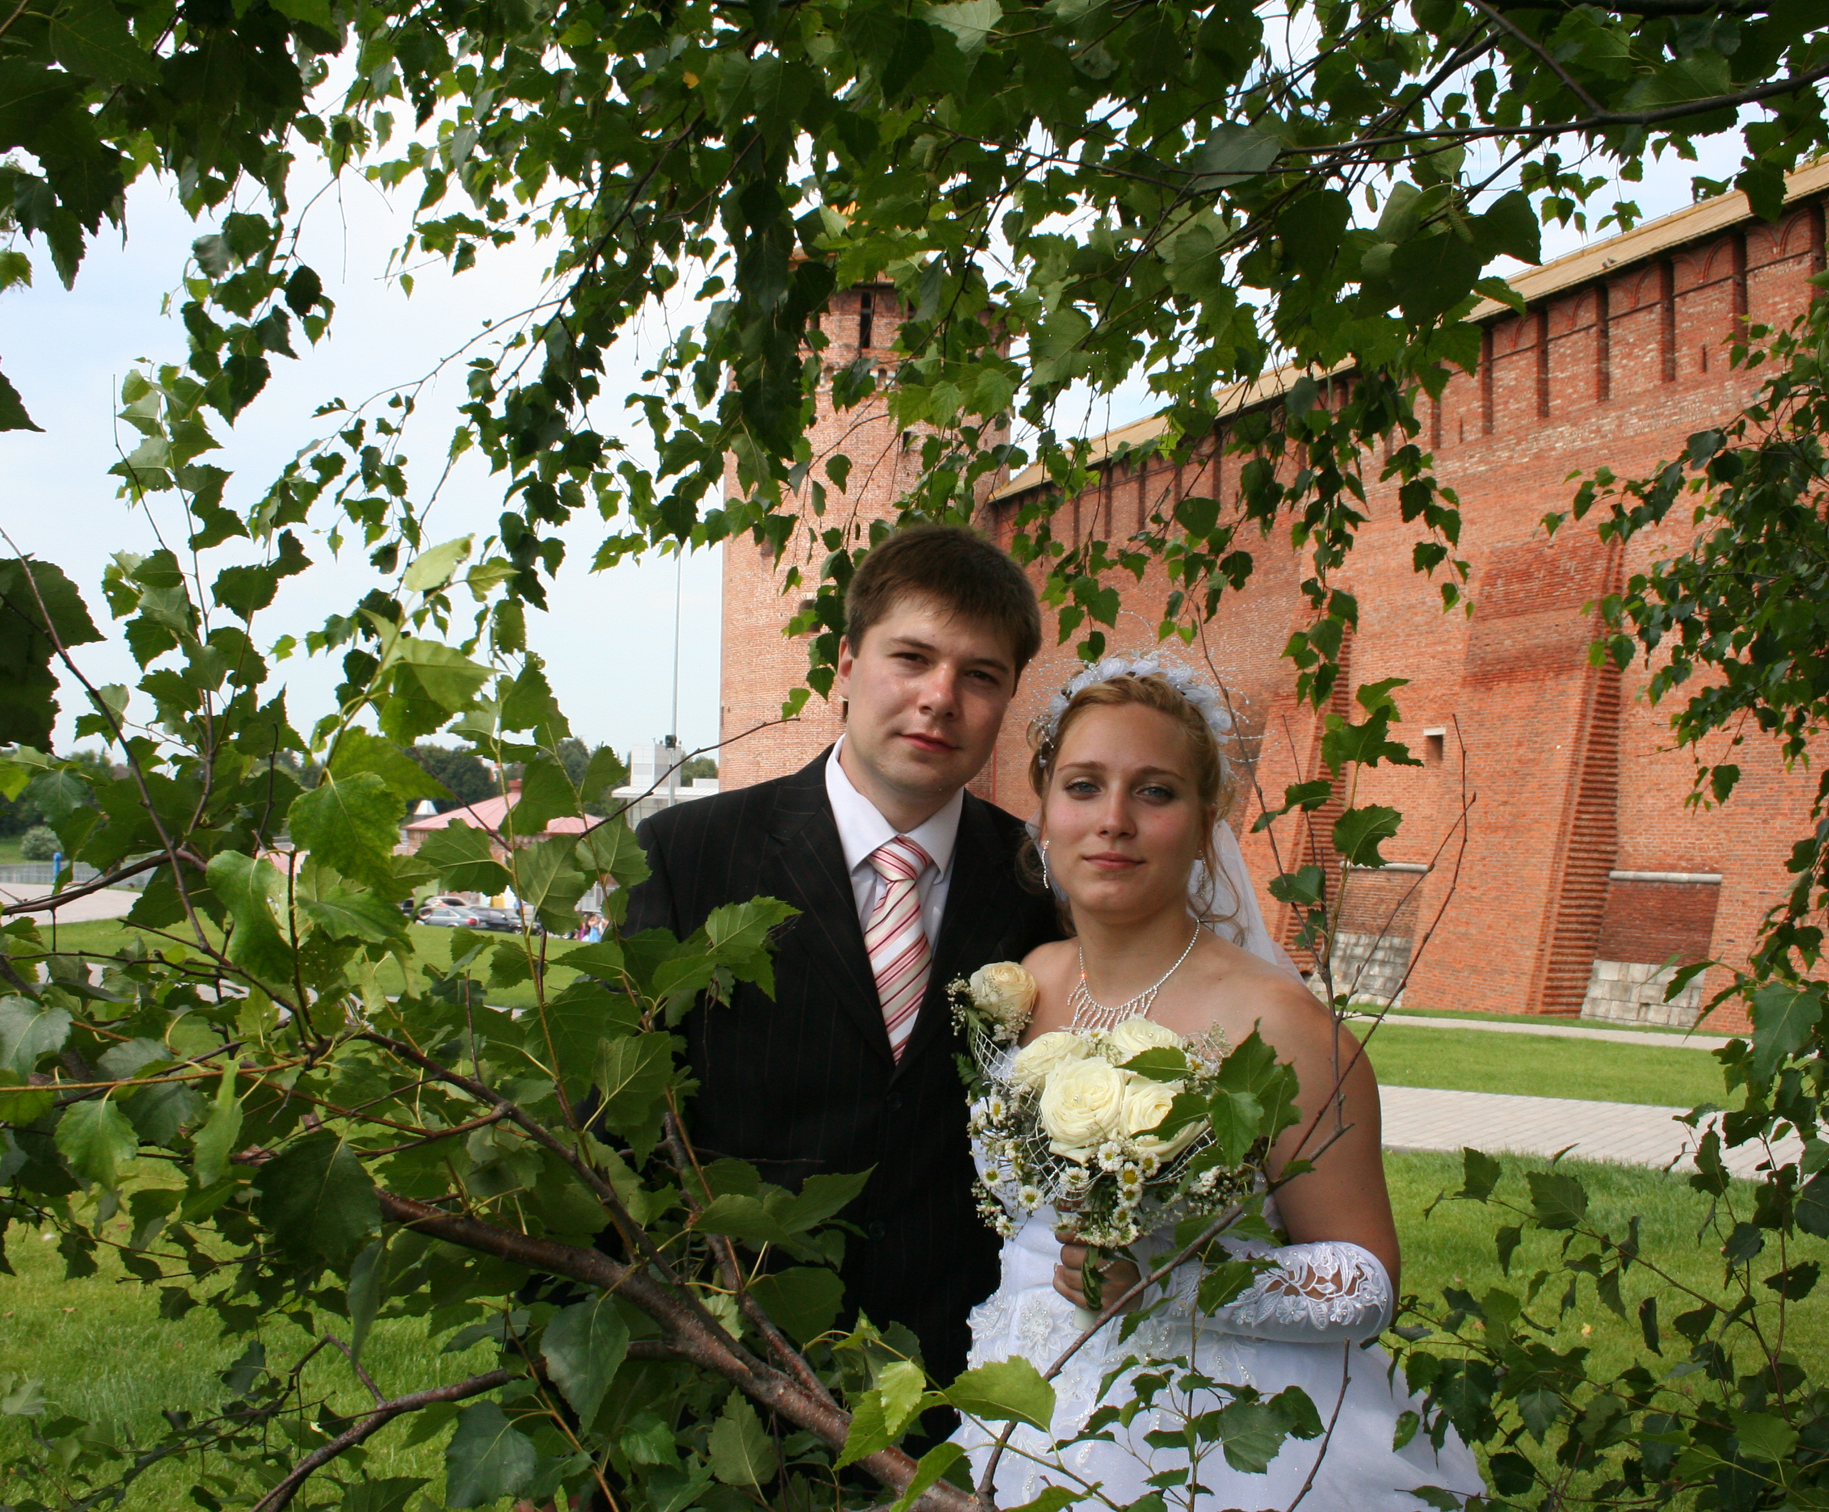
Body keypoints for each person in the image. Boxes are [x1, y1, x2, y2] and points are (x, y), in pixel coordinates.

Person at [954, 658, 1485, 1511]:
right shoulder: (1030, 981)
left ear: (1207, 825)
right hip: (1019, 1399)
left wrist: (1174, 1286)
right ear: (1044, 813)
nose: (1114, 820)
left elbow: (1364, 1281)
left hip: (1211, 1433)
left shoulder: (1278, 1026)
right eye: (1084, 786)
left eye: (1155, 792)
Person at [627, 525, 1065, 1388]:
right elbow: (621, 1127)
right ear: (847, 664)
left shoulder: (1037, 883)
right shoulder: (688, 857)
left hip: (956, 1378)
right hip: (727, 1364)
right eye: (912, 658)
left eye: (981, 676)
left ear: (1010, 698)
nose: (941, 698)